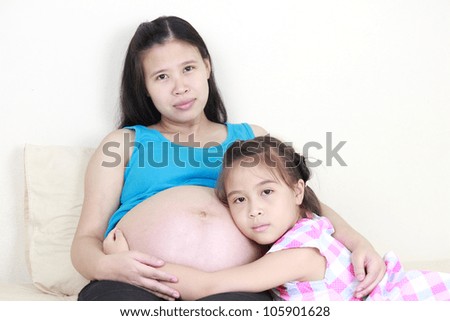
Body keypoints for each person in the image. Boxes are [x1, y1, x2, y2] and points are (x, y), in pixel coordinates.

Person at [71, 15, 385, 301]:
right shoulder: (123, 144)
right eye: (162, 77)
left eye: (188, 68)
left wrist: (358, 243)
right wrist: (108, 265)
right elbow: (86, 238)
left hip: (234, 287)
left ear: (207, 66)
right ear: (145, 87)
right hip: (136, 283)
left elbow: (303, 203)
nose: (180, 87)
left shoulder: (249, 137)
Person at [106, 135, 450, 301]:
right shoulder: (305, 231)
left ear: (298, 192)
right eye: (239, 200)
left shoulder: (300, 252)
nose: (253, 209)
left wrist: (126, 262)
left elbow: (209, 286)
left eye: (267, 192)